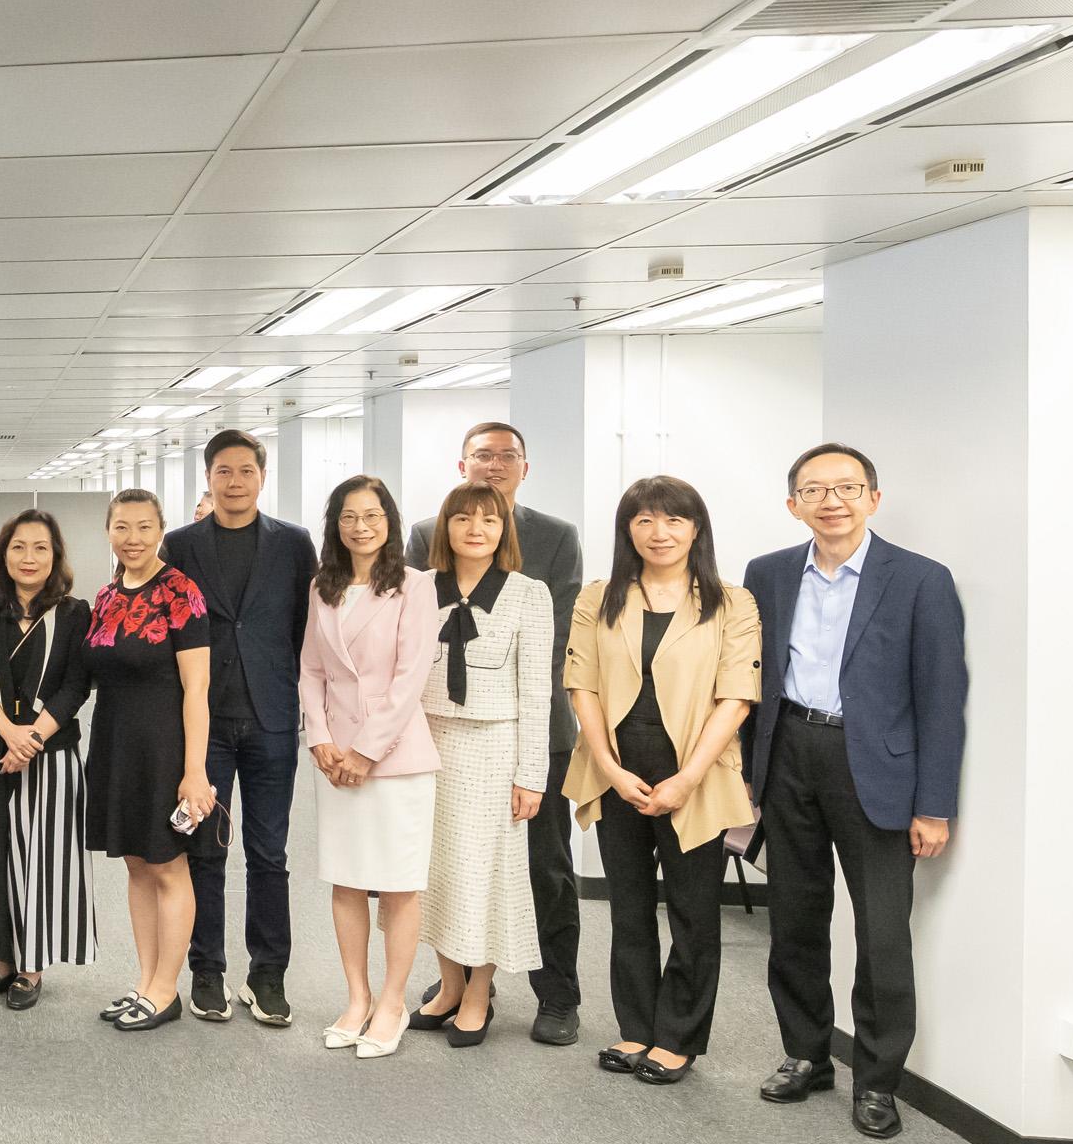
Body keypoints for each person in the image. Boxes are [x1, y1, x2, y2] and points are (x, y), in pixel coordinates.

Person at [742, 443, 967, 1139]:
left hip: (876, 768)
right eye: (816, 490)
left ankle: (877, 1080)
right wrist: (749, 774)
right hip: (788, 758)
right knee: (796, 920)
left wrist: (934, 803)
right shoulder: (768, 574)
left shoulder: (921, 580)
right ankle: (806, 1054)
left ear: (873, 497)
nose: (832, 500)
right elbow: (752, 680)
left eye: (847, 487)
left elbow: (941, 696)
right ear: (794, 505)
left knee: (881, 933)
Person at [563, 476, 761, 1086]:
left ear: (696, 528)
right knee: (627, 906)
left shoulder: (733, 602)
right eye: (645, 520)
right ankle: (636, 1026)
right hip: (617, 770)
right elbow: (582, 686)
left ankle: (678, 1036)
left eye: (674, 520)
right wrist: (611, 767)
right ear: (628, 529)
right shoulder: (599, 598)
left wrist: (686, 779)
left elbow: (736, 697)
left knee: (694, 911)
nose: (660, 533)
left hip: (695, 775)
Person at [406, 421, 586, 1043]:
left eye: (507, 455)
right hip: (438, 736)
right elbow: (407, 643)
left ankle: (557, 995)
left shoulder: (555, 541)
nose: (494, 464)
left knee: (544, 869)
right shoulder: (428, 536)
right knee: (448, 863)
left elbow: (550, 651)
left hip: (519, 731)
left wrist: (528, 765)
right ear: (463, 464)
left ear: (524, 467)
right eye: (482, 455)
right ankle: (455, 981)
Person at [161, 430, 316, 1026]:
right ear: (209, 479)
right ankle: (207, 971)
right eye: (223, 471)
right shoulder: (180, 545)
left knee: (268, 852)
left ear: (261, 476)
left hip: (273, 717)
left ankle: (267, 974)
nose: (234, 481)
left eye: (245, 471)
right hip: (205, 721)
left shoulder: (294, 544)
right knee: (205, 850)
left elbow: (308, 628)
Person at [298, 475, 440, 1058]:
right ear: (335, 524)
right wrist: (322, 740)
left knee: (400, 884)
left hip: (396, 758)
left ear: (390, 521)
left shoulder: (413, 585)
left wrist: (365, 750)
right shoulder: (323, 587)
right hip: (335, 761)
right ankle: (356, 998)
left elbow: (411, 678)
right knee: (348, 881)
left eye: (373, 515)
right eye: (350, 516)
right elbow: (309, 669)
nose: (362, 526)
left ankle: (392, 1001)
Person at [83, 488, 218, 1031]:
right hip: (115, 745)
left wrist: (194, 770)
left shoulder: (181, 592)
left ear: (161, 529)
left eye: (143, 527)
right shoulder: (106, 595)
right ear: (109, 531)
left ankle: (167, 990)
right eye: (121, 527)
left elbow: (198, 690)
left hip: (165, 748)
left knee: (167, 865)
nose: (132, 538)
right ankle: (145, 982)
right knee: (137, 864)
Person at [0, 509, 93, 1010]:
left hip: (49, 757)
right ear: (3, 555)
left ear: (55, 556)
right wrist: (8, 733)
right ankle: (2, 962)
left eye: (40, 548)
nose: (28, 557)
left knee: (40, 863)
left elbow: (77, 684)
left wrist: (29, 740)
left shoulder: (75, 613)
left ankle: (32, 967)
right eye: (18, 547)